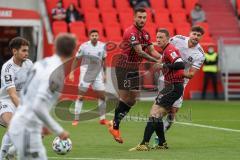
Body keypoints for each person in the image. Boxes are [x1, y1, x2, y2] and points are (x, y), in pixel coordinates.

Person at [8, 33, 76, 160]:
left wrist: (42, 124)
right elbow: (38, 106)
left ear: (55, 48)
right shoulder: (55, 73)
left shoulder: (41, 63)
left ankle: (11, 152)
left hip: (24, 125)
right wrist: (59, 130)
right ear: (74, 52)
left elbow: (28, 95)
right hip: (27, 129)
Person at [107, 7, 161, 144]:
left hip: (133, 69)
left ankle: (113, 123)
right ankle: (114, 127)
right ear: (134, 17)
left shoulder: (146, 34)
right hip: (123, 68)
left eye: (144, 17)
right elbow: (140, 52)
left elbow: (152, 50)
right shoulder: (130, 32)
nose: (142, 20)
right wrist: (158, 61)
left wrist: (164, 57)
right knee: (126, 97)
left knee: (132, 100)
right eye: (139, 17)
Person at [129, 28, 185, 151]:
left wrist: (164, 65)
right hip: (170, 86)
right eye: (157, 37)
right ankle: (162, 143)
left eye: (161, 37)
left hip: (174, 87)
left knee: (155, 113)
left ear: (168, 39)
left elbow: (181, 64)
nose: (158, 40)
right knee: (156, 114)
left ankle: (144, 144)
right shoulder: (165, 51)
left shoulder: (170, 50)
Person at [0, 37, 33, 159]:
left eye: (27, 51)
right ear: (14, 51)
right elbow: (12, 94)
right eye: (23, 50)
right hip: (6, 101)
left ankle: (11, 153)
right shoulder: (8, 68)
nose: (26, 53)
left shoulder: (29, 64)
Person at [69, 29, 109, 126]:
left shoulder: (102, 46)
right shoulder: (84, 46)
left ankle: (102, 119)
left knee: (102, 96)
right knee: (81, 96)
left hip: (98, 73)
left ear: (98, 36)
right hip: (85, 73)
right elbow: (76, 59)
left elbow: (104, 60)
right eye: (92, 35)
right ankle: (76, 119)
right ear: (89, 37)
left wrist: (105, 74)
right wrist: (72, 72)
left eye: (96, 35)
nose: (94, 37)